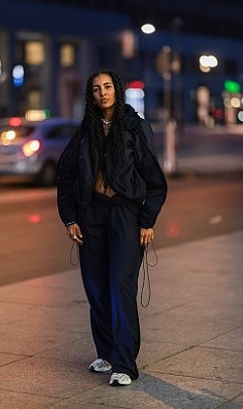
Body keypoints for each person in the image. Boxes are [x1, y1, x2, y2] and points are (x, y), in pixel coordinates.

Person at [56, 69, 167, 386]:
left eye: (107, 87)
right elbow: (65, 175)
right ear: (90, 96)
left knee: (120, 287)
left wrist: (147, 221)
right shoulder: (86, 131)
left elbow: (155, 181)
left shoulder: (135, 127)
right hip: (91, 214)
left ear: (117, 90)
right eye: (96, 89)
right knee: (96, 287)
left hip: (125, 215)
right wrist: (70, 218)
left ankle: (124, 364)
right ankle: (105, 354)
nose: (102, 93)